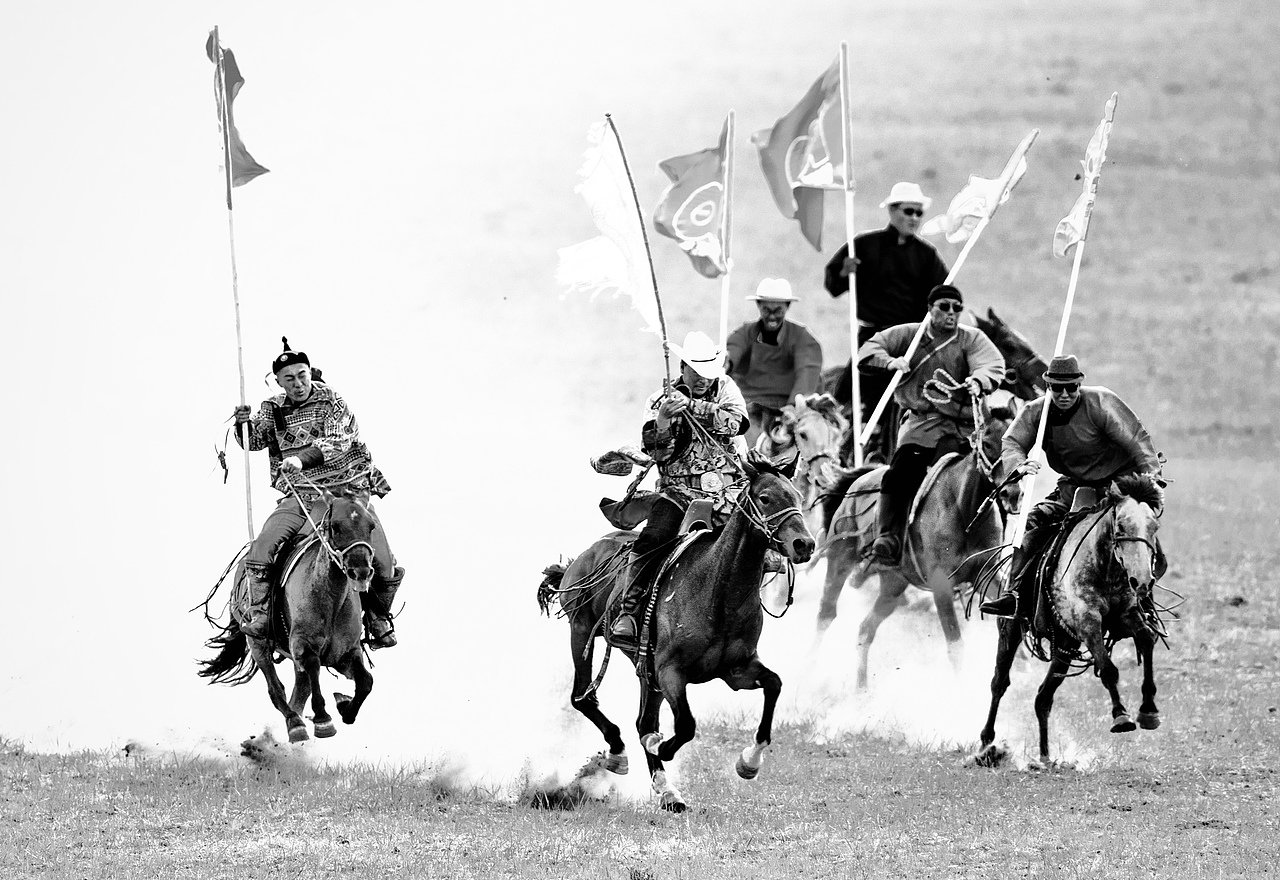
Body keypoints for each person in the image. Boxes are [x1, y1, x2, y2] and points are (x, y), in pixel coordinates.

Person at [232, 338, 403, 649]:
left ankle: (377, 617)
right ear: (278, 382)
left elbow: (337, 441)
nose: (297, 384)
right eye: (289, 379)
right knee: (263, 545)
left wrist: (301, 459)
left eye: (302, 375)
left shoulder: (332, 401)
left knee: (382, 559)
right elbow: (254, 441)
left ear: (309, 372)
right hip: (301, 494)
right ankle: (261, 613)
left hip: (347, 492)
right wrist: (241, 425)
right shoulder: (273, 408)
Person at [980, 355, 1163, 618]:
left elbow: (1137, 439)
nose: (1064, 394)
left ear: (1079, 384)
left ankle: (1144, 604)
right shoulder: (1036, 413)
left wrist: (1151, 478)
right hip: (1074, 487)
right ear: (1048, 386)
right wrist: (1018, 466)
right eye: (1057, 388)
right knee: (1031, 524)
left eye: (1071, 388)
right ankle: (1017, 595)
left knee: (1135, 527)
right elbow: (1012, 442)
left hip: (1120, 486)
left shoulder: (1102, 402)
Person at [609, 330, 749, 645]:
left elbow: (737, 423)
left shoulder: (726, 387)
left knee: (758, 531)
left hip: (728, 493)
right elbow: (658, 455)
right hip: (678, 493)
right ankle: (629, 611)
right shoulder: (658, 401)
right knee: (653, 539)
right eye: (695, 372)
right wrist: (662, 422)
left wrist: (693, 407)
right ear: (683, 367)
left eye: (707, 373)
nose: (702, 379)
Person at [858, 285, 1004, 565]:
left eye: (956, 308)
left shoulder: (972, 339)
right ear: (930, 309)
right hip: (922, 425)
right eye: (944, 306)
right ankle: (889, 536)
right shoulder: (909, 335)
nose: (951, 313)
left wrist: (979, 380)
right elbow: (870, 349)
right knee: (900, 473)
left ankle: (995, 542)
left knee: (993, 477)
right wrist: (890, 362)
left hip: (965, 430)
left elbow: (991, 363)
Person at [824, 182, 949, 460]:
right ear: (892, 211)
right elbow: (833, 284)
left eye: (919, 213)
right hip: (872, 336)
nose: (914, 218)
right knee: (848, 395)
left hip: (910, 340)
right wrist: (844, 272)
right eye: (909, 211)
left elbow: (942, 294)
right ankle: (840, 447)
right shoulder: (863, 246)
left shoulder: (927, 255)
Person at [725, 278, 824, 446]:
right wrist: (726, 363)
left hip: (790, 406)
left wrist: (793, 407)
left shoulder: (802, 338)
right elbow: (733, 349)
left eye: (778, 310)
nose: (772, 316)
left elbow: (807, 373)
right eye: (766, 310)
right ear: (758, 306)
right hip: (751, 407)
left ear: (787, 307)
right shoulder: (745, 333)